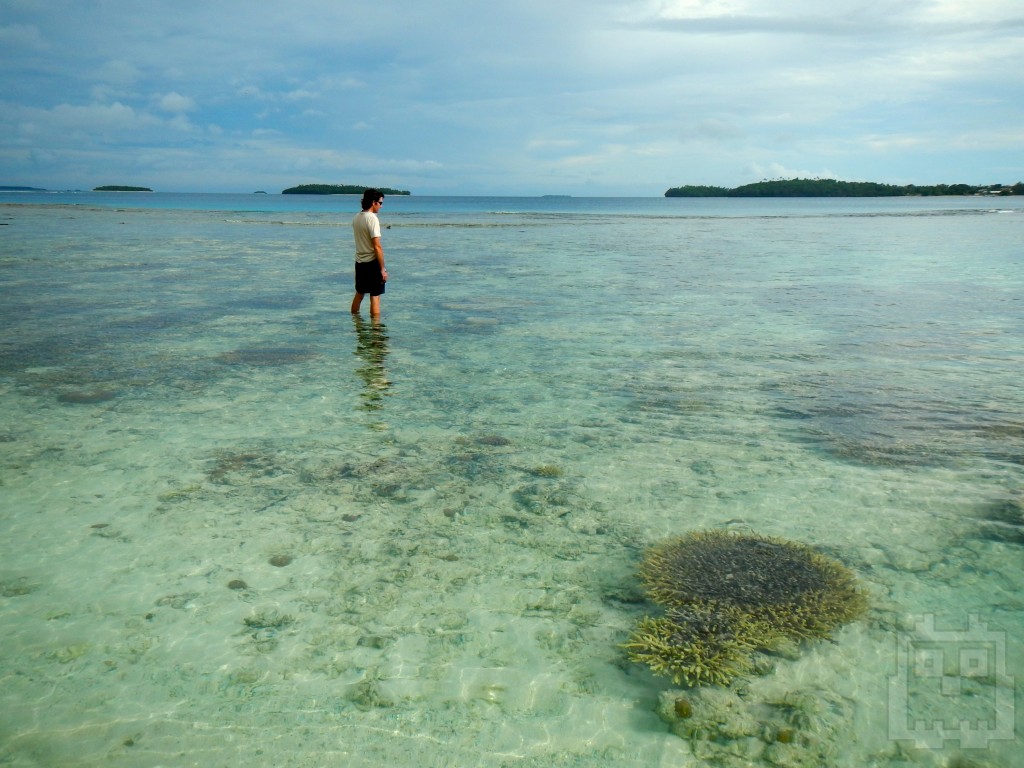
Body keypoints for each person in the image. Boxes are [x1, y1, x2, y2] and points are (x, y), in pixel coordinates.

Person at [350, 188, 388, 317]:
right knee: (375, 297)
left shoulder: (357, 217)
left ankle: (356, 323)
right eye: (380, 203)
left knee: (359, 294)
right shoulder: (372, 218)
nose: (381, 206)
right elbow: (377, 246)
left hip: (359, 262)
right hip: (372, 263)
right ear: (373, 202)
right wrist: (382, 269)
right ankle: (375, 331)